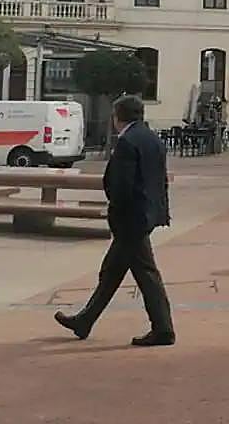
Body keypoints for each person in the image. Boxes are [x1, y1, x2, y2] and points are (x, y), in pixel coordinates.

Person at [55, 94, 175, 346]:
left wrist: (116, 211)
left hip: (130, 219)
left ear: (118, 117)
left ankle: (163, 329)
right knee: (113, 272)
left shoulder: (127, 142)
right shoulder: (152, 139)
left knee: (145, 275)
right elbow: (159, 179)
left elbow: (121, 186)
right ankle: (85, 320)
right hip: (145, 215)